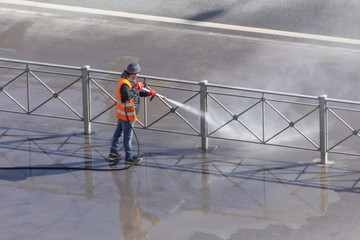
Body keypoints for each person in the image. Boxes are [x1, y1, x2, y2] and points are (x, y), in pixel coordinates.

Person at [109, 62, 156, 165]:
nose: (138, 75)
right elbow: (128, 96)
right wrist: (136, 87)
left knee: (118, 133)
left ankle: (113, 153)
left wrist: (148, 93)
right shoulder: (125, 83)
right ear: (132, 73)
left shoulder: (127, 81)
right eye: (137, 73)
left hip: (122, 113)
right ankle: (129, 157)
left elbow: (135, 94)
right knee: (127, 136)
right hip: (127, 114)